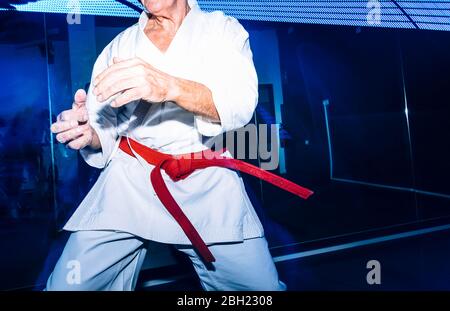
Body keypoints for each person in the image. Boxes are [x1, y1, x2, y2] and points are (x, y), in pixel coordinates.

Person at [47, 0, 312, 291]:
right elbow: (105, 124)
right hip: (131, 179)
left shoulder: (221, 30)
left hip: (206, 182)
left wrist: (168, 86)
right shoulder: (119, 47)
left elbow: (239, 105)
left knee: (257, 289)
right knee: (69, 285)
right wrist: (89, 133)